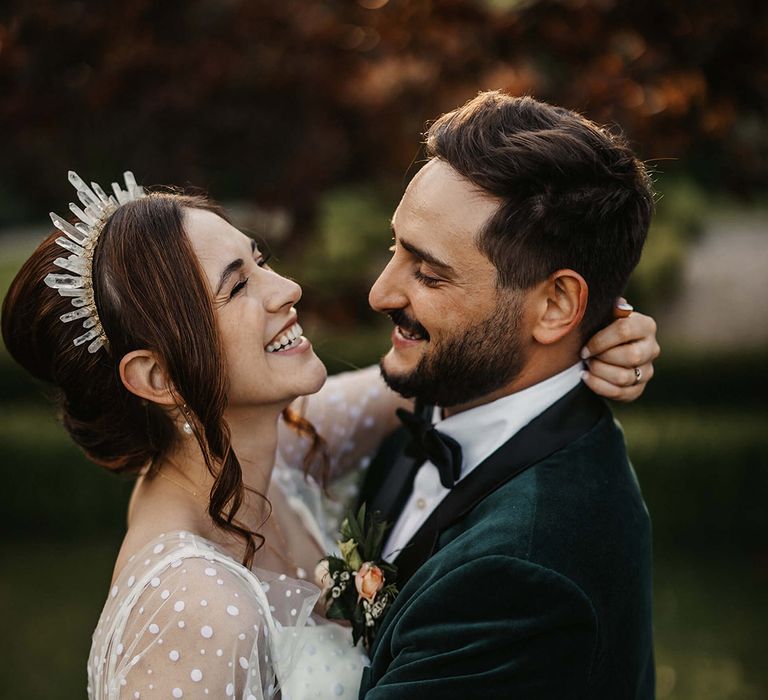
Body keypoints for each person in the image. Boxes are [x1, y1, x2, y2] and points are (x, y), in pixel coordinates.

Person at [0, 163, 657, 697]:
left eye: (259, 260)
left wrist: (592, 322)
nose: (286, 288)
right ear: (157, 378)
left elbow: (459, 360)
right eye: (238, 287)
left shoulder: (279, 446)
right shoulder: (193, 605)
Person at [357, 92, 657, 699]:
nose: (379, 292)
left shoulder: (524, 572)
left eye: (428, 272)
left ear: (555, 305)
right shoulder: (443, 397)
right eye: (396, 249)